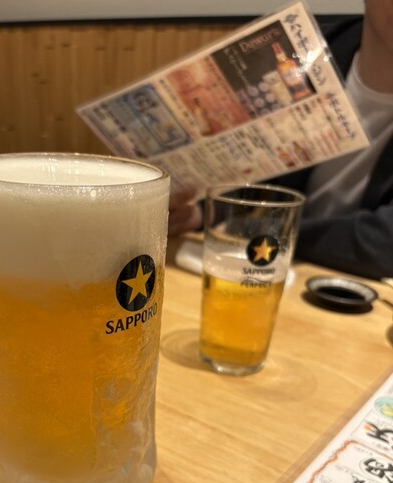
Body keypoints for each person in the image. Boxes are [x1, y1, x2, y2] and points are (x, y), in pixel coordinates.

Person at [168, 1, 393, 280]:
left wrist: (251, 230)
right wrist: (202, 213)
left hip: (360, 289)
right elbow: (257, 168)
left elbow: (384, 245)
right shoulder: (303, 56)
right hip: (259, 271)